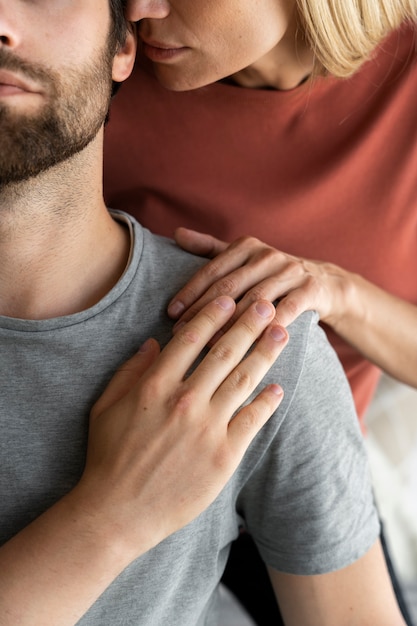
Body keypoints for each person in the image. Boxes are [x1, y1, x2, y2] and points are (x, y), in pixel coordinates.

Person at [0, 1, 408, 625]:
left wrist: (337, 293)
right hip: (131, 424)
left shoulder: (403, 84)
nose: (138, 7)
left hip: (282, 443)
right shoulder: (87, 80)